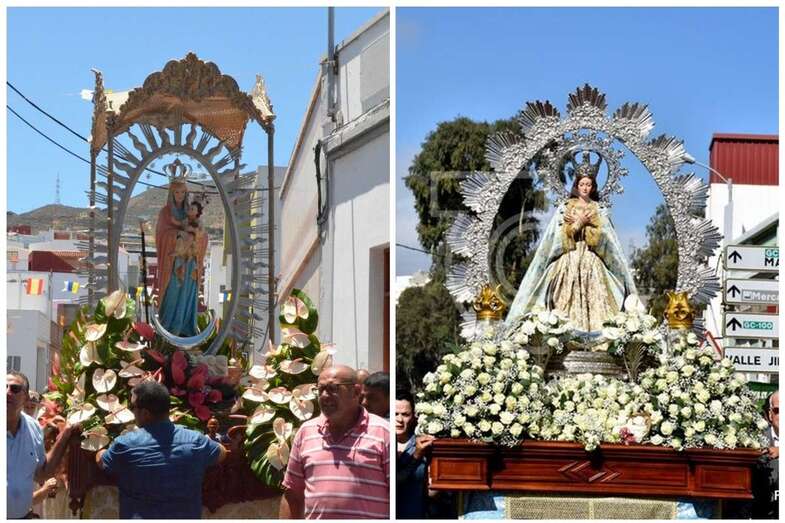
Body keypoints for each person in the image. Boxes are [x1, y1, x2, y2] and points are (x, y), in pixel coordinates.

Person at [506, 152, 636, 331]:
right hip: (568, 259)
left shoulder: (599, 209)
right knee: (561, 300)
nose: (585, 187)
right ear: (576, 185)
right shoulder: (565, 207)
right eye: (582, 184)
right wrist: (579, 224)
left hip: (592, 261)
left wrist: (591, 227)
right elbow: (556, 236)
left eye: (588, 184)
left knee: (599, 300)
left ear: (593, 186)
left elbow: (607, 239)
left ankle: (595, 337)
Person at [96, 380, 226, 518]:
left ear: (145, 413)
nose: (131, 411)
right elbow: (222, 452)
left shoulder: (125, 444)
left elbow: (103, 462)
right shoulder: (196, 441)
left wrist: (100, 452)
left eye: (132, 406)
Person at [280, 365, 389, 519]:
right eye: (320, 389)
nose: (324, 395)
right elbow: (292, 493)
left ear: (356, 392)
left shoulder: (383, 432)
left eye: (332, 388)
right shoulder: (306, 432)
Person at [7, 372, 78, 519]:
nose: (7, 392)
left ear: (25, 397)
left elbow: (42, 473)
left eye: (14, 388)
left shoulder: (33, 427)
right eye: (4, 387)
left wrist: (65, 436)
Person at [156, 181, 208, 336]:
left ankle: (185, 328)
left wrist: (197, 237)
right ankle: (168, 327)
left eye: (183, 193)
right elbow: (161, 235)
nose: (180, 196)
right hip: (173, 263)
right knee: (173, 289)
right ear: (171, 194)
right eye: (176, 192)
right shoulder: (165, 213)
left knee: (187, 292)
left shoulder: (190, 211)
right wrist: (177, 235)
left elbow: (203, 235)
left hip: (190, 262)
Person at [396, 389, 432, 519]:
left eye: (405, 414)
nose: (399, 419)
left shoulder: (423, 444)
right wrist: (416, 456)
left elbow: (432, 492)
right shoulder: (383, 443)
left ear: (413, 416)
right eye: (395, 414)